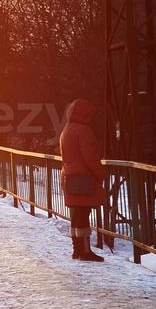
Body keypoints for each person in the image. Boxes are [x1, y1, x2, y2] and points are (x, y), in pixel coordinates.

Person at [60, 98, 105, 262]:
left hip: (70, 176)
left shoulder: (67, 129)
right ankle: (85, 250)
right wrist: (101, 173)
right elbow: (90, 156)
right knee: (83, 214)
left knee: (77, 215)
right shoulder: (84, 131)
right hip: (83, 178)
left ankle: (77, 249)